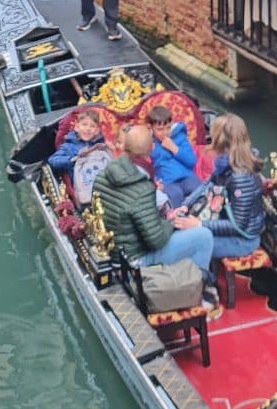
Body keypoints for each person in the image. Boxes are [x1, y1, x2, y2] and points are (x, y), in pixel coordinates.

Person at [93, 125, 220, 307]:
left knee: (185, 229)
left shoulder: (106, 173)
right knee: (204, 237)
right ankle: (199, 295)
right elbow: (156, 240)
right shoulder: (142, 187)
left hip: (116, 252)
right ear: (152, 148)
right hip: (135, 260)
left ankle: (185, 281)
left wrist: (167, 219)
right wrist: (172, 222)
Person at [202, 113, 266, 261]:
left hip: (243, 240)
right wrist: (185, 207)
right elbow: (207, 184)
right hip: (225, 225)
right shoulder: (225, 164)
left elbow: (237, 225)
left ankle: (207, 279)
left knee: (193, 244)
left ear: (221, 141)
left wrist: (199, 224)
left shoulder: (240, 177)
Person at [148, 105, 202, 210]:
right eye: (160, 129)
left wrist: (174, 148)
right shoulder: (149, 144)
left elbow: (192, 161)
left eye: (168, 127)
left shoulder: (179, 137)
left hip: (187, 177)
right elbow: (147, 165)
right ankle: (178, 221)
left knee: (199, 189)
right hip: (168, 182)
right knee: (175, 195)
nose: (165, 132)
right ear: (151, 128)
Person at [47, 110, 105, 179]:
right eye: (84, 124)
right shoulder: (68, 146)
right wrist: (74, 159)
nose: (88, 128)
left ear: (97, 131)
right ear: (77, 127)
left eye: (92, 126)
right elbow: (52, 161)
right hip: (81, 181)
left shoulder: (102, 144)